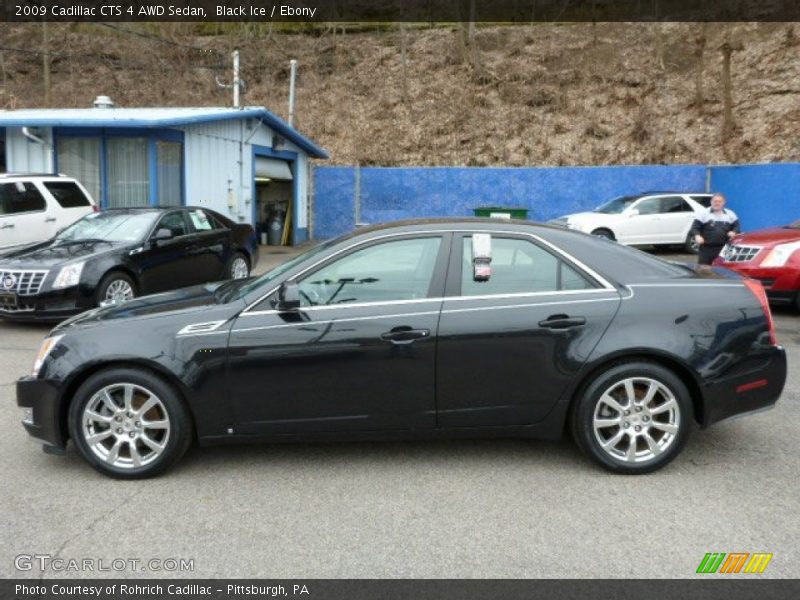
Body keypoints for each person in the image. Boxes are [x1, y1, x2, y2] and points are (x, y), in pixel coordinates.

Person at [690, 193, 740, 265]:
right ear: (711, 202)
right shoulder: (703, 213)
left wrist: (734, 232)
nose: (717, 203)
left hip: (724, 248)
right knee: (704, 270)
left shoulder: (730, 214)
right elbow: (694, 228)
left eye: (719, 201)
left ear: (724, 202)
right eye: (715, 201)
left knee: (723, 270)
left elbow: (737, 226)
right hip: (706, 248)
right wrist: (697, 236)